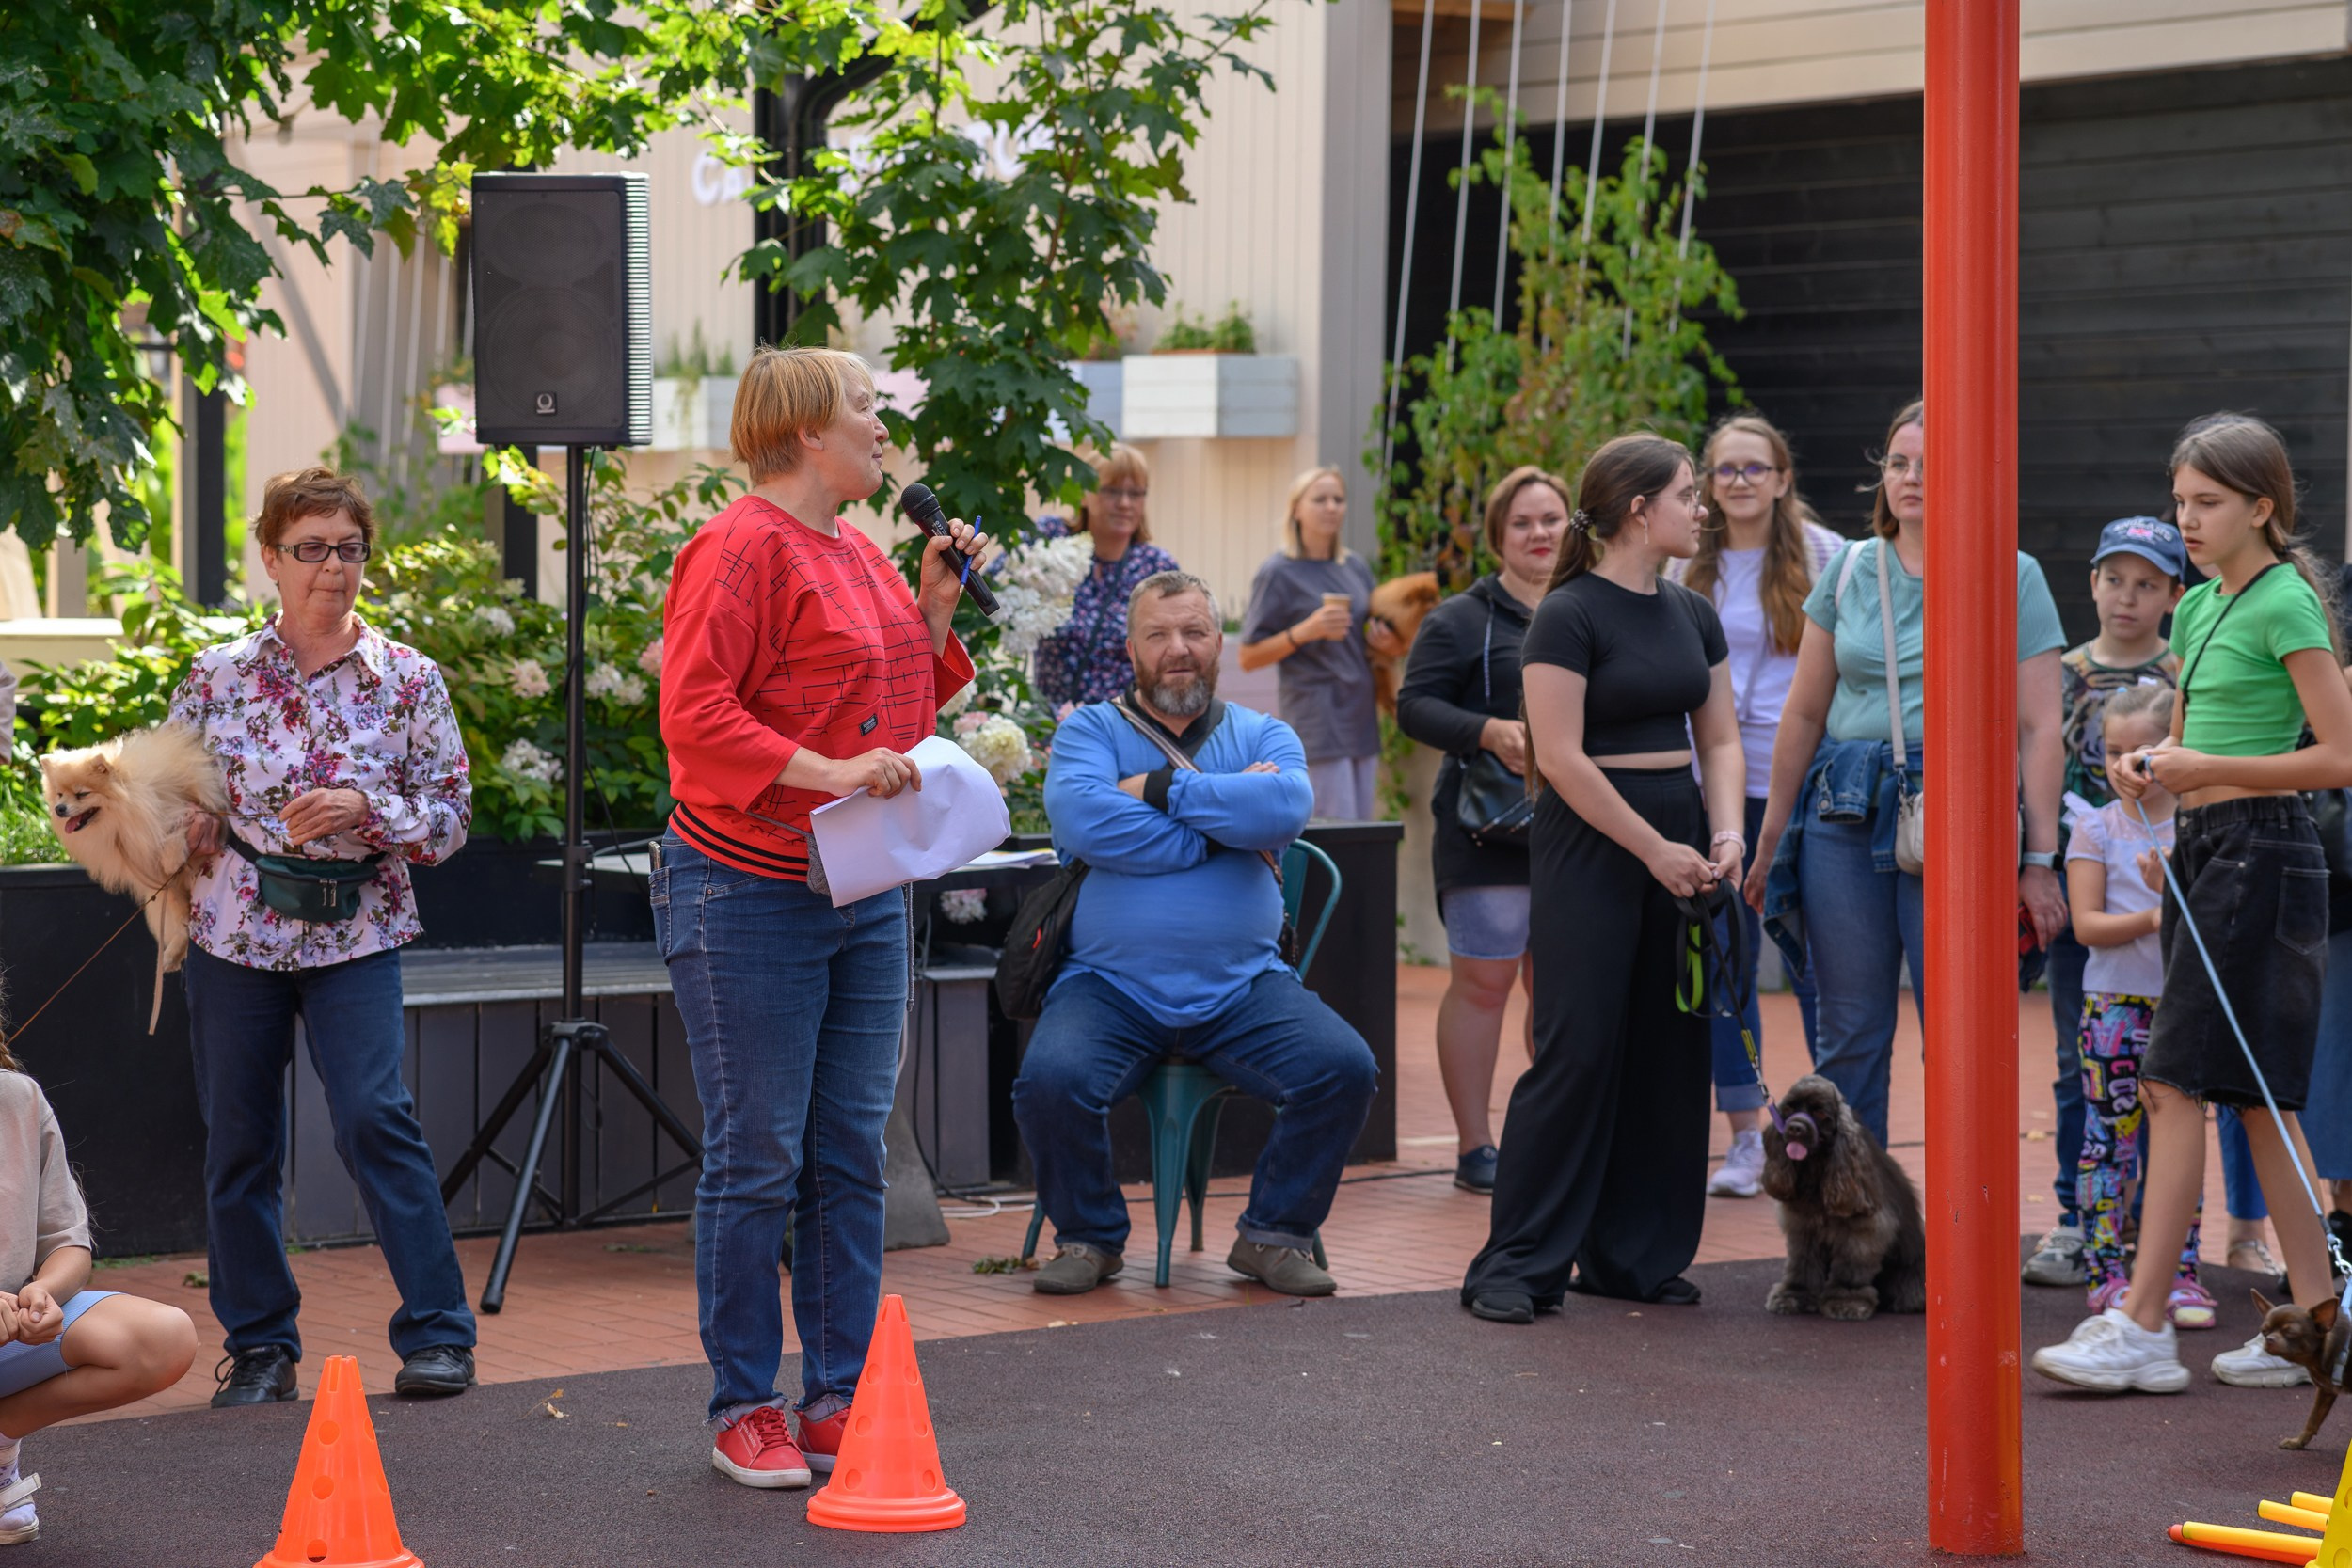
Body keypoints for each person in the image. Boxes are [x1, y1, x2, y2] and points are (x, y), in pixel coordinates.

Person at [655, 346, 985, 1488]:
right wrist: (829, 771)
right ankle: (744, 1403)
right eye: (863, 405)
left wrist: (935, 612)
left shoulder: (858, 549)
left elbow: (897, 711)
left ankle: (838, 1396)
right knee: (759, 1155)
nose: (881, 423)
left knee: (849, 1150)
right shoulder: (737, 545)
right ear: (804, 431)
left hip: (860, 889)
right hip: (744, 888)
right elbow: (692, 717)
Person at [2032, 413, 2352, 1395]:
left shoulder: (2284, 600)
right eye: (2180, 502)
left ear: (2263, 505)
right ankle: (2320, 1323)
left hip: (2263, 852)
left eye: (2206, 502)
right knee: (2254, 1096)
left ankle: (2138, 1322)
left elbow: (2338, 754)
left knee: (2173, 1080)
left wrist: (2203, 765)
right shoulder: (2206, 601)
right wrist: (2147, 773)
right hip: (2205, 847)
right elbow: (2192, 739)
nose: (2188, 520)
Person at [169, 466, 479, 1407]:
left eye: (347, 549)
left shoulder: (409, 677)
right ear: (270, 556)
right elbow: (163, 789)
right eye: (309, 549)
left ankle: (438, 1335)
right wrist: (188, 820)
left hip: (360, 930)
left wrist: (365, 806)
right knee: (239, 1140)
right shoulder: (217, 676)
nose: (331, 569)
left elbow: (453, 814)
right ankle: (261, 1344)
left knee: (374, 1119)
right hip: (235, 933)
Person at [1013, 570, 1379, 1299]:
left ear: (1220, 642)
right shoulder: (1090, 729)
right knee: (1049, 1081)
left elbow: (1285, 808)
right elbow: (1087, 821)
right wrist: (1221, 832)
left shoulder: (1263, 732)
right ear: (1131, 648)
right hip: (1107, 985)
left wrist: (1156, 790)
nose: (1177, 649)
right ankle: (1090, 1238)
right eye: (1158, 634)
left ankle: (1271, 1236)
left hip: (1246, 987)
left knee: (1345, 1067)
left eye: (1194, 632)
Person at [1460, 434, 1748, 1324]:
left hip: (1681, 834)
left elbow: (1724, 739)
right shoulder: (1568, 613)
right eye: (1688, 495)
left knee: (1671, 1051)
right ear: (1638, 509)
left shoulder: (1691, 612)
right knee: (1579, 1048)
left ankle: (1634, 1255)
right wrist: (1652, 850)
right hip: (1593, 839)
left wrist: (1727, 829)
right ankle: (1516, 1266)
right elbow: (1561, 758)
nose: (1700, 510)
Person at [1750, 400, 2069, 1148]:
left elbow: (2039, 726)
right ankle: (1852, 1238)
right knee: (1849, 1033)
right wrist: (1770, 839)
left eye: (1930, 464)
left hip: (1960, 807)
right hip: (1844, 805)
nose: (1910, 478)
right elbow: (1802, 714)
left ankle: (1962, 1247)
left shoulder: (2011, 574)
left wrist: (2040, 860)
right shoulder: (1853, 568)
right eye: (1898, 462)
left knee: (1959, 1033)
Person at [1668, 415, 1838, 1197]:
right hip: (1716, 785)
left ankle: (1833, 1124)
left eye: (1753, 468)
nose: (1737, 481)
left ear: (1781, 477)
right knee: (1727, 961)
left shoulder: (1829, 554)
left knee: (1815, 960)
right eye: (1723, 469)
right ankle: (1747, 1136)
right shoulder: (1681, 565)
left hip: (1805, 779)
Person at [2024, 517, 2186, 1286]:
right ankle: (2077, 1221)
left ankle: (2167, 1235)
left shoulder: (2185, 677)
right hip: (2076, 881)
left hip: (2168, 906)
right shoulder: (2057, 671)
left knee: (2180, 1078)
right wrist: (2039, 866)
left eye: (2147, 583)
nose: (2127, 597)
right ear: (2091, 583)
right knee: (2078, 1067)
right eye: (2114, 579)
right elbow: (2034, 762)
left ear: (2172, 595)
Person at [1393, 467, 1564, 1193]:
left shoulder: (1593, 608)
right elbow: (1415, 707)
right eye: (1522, 522)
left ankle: (1555, 1137)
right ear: (1498, 536)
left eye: (1552, 519)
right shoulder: (1459, 618)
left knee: (1559, 989)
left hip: (1576, 829)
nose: (1539, 534)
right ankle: (1475, 1146)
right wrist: (1489, 730)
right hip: (1484, 831)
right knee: (1484, 985)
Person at [2060, 685, 2217, 1328]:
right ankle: (2106, 1273)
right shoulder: (2094, 826)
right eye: (2113, 751)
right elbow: (2087, 925)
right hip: (2113, 1009)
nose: (2125, 765)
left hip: (2180, 1004)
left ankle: (2179, 1273)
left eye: (2142, 751)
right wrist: (2160, 910)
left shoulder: (2202, 826)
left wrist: (2176, 890)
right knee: (2108, 1142)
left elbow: (2215, 923)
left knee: (2179, 1143)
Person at [1, 1045, 198, 1547]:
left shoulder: (18, 1098)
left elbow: (68, 1242)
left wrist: (40, 1293)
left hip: (8, 1337)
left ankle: (0, 1445)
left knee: (164, 1337)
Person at [1239, 467, 1382, 820]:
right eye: (1320, 499)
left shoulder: (1356, 567)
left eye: (1338, 499)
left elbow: (1365, 641)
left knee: (1362, 829)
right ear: (1296, 510)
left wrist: (1384, 640)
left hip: (1361, 715)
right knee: (1333, 827)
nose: (1331, 507)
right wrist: (1306, 630)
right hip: (1317, 717)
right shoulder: (1278, 571)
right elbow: (1248, 656)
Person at [1032, 444, 1181, 713]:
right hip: (1050, 726)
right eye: (1111, 491)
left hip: (1127, 725)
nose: (1125, 503)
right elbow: (993, 593)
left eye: (1135, 494)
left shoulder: (1157, 567)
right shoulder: (1050, 539)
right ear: (1083, 495)